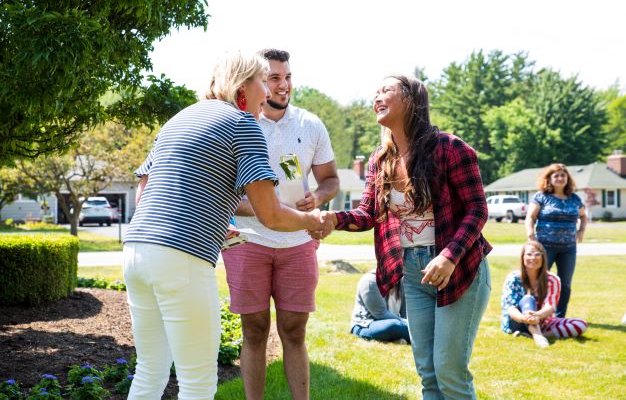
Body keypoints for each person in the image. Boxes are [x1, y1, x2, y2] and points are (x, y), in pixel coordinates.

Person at [122, 51, 324, 400]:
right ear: (244, 85)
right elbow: (270, 214)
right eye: (264, 81)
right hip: (181, 258)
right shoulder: (243, 124)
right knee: (197, 384)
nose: (269, 93)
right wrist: (312, 221)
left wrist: (213, 222)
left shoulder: (180, 118)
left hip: (137, 250)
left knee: (150, 372)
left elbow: (145, 194)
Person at [317, 75, 491, 399]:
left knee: (450, 371)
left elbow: (478, 210)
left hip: (458, 270)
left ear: (411, 100)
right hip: (412, 275)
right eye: (376, 93)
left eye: (386, 90)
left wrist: (449, 256)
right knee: (428, 373)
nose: (377, 97)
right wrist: (333, 218)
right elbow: (367, 214)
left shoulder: (449, 148)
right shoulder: (380, 160)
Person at [221, 49, 338, 400]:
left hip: (298, 243)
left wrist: (316, 198)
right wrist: (262, 210)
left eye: (287, 76)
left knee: (294, 331)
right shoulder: (238, 123)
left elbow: (331, 179)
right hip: (248, 242)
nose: (283, 84)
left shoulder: (310, 124)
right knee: (254, 331)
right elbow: (225, 189)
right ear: (256, 81)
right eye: (273, 78)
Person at [525, 163, 587, 318]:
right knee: (539, 280)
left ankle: (559, 317)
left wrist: (581, 230)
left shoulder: (574, 198)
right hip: (545, 247)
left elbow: (583, 216)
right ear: (549, 179)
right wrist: (531, 236)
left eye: (563, 175)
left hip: (568, 248)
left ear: (567, 178)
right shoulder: (541, 197)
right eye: (556, 175)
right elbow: (530, 217)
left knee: (565, 283)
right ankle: (533, 313)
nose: (560, 178)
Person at [501, 241, 588, 348]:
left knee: (580, 324)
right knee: (528, 298)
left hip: (543, 321)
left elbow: (550, 306)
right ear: (522, 257)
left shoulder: (553, 279)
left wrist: (536, 315)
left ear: (543, 258)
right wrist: (525, 318)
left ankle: (536, 335)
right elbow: (510, 308)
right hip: (518, 321)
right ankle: (537, 336)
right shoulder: (513, 278)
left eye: (537, 254)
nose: (533, 258)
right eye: (529, 254)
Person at [351, 269, 410, 344]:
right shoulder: (370, 281)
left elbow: (404, 312)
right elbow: (380, 314)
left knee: (416, 323)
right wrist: (406, 323)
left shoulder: (400, 281)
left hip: (395, 322)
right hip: (366, 325)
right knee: (394, 326)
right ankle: (423, 336)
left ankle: (399, 337)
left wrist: (410, 322)